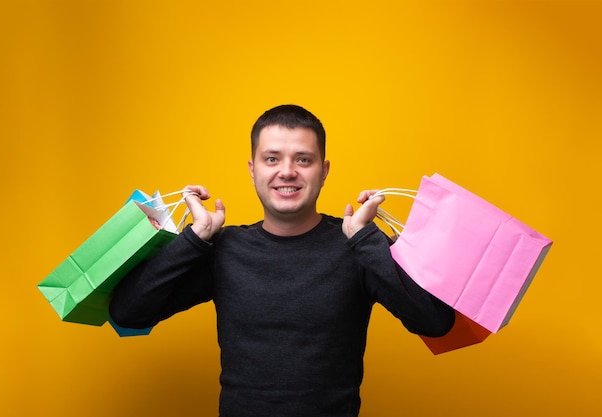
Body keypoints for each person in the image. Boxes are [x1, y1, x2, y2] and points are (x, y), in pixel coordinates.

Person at [110, 104, 455, 417]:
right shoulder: (224, 249)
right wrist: (193, 238)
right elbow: (128, 312)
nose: (287, 172)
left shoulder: (357, 245)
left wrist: (366, 240)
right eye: (272, 159)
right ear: (253, 169)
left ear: (324, 170)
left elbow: (436, 322)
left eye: (303, 159)